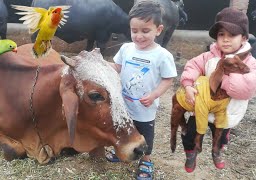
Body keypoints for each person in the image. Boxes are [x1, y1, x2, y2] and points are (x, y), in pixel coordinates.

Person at [106, 1, 177, 179]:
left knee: (145, 135)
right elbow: (117, 66)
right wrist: (102, 64)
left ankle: (146, 160)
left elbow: (168, 79)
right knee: (122, 129)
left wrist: (154, 95)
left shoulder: (162, 56)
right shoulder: (126, 48)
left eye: (145, 31)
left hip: (145, 107)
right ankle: (121, 151)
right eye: (134, 31)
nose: (138, 36)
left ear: (158, 30)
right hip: (123, 103)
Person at [180, 7, 256, 173]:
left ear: (243, 38)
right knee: (190, 134)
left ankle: (217, 152)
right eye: (221, 34)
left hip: (227, 111)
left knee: (219, 137)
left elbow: (247, 89)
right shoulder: (210, 55)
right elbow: (193, 65)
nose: (225, 40)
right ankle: (191, 153)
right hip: (203, 107)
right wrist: (187, 85)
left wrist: (222, 78)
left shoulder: (249, 63)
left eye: (232, 35)